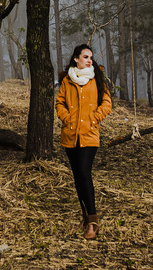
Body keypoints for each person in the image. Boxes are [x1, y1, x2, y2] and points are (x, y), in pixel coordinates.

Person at [55, 43, 113, 239]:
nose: (90, 60)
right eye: (86, 57)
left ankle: (93, 222)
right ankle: (85, 216)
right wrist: (66, 117)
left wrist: (95, 118)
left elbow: (107, 102)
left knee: (84, 173)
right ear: (76, 59)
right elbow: (59, 102)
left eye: (91, 57)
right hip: (70, 135)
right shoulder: (67, 80)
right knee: (77, 176)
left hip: (89, 134)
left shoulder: (96, 79)